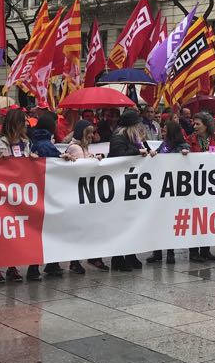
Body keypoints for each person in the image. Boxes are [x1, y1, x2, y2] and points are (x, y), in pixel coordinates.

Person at [62, 120, 109, 272]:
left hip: (85, 193)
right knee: (81, 228)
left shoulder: (82, 147)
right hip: (79, 194)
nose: (91, 136)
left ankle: (90, 257)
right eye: (88, 133)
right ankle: (76, 261)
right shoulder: (75, 148)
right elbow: (83, 167)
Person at [0, 109, 33, 282]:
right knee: (0, 230)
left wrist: (32, 159)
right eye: (22, 121)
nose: (25, 124)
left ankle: (12, 266)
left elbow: (25, 162)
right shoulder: (0, 140)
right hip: (2, 190)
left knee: (15, 230)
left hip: (19, 190)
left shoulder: (26, 141)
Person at [108, 110, 150, 271]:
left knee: (132, 221)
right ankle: (118, 258)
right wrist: (136, 151)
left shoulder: (133, 138)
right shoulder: (118, 137)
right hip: (120, 185)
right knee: (121, 222)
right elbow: (119, 155)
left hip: (132, 185)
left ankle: (130, 255)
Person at [29, 111, 65, 279]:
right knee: (47, 230)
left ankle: (49, 265)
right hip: (47, 191)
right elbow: (55, 160)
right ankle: (36, 267)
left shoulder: (35, 140)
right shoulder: (45, 144)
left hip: (38, 190)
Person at [148, 119, 190, 264]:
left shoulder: (182, 146)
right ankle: (157, 252)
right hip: (161, 188)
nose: (162, 132)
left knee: (170, 221)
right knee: (158, 221)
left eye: (165, 129)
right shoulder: (164, 145)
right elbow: (157, 156)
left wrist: (185, 155)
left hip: (174, 189)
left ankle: (170, 252)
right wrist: (153, 154)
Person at [185, 112, 215, 262]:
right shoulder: (190, 139)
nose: (195, 126)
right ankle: (193, 251)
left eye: (198, 124)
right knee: (195, 218)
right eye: (194, 123)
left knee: (208, 218)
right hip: (195, 184)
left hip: (212, 185)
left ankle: (206, 250)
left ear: (206, 125)